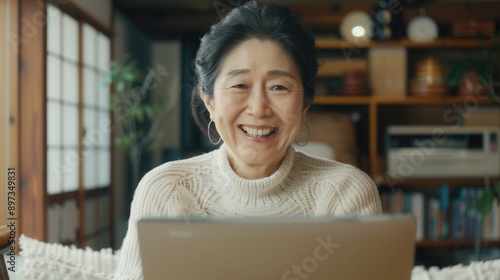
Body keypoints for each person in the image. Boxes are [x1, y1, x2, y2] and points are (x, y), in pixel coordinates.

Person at [114, 1, 382, 278]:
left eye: (279, 87)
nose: (258, 108)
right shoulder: (166, 190)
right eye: (240, 85)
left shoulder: (345, 192)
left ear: (304, 107)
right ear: (210, 102)